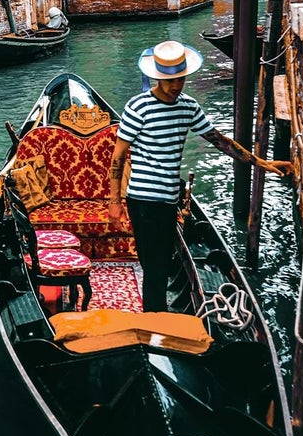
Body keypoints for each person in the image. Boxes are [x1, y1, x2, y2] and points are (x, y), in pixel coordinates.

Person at [108, 38, 289, 313]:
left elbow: (220, 141)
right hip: (143, 201)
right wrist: (114, 203)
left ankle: (156, 315)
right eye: (171, 81)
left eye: (181, 79)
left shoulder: (188, 106)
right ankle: (155, 320)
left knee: (164, 261)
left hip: (169, 199)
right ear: (157, 78)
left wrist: (261, 163)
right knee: (154, 265)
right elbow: (118, 156)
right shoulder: (138, 107)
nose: (177, 86)